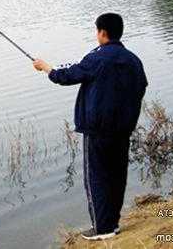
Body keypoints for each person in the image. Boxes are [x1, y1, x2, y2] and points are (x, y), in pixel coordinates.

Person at [33, 13, 147, 241]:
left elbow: (67, 75)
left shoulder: (97, 58)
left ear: (102, 32)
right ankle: (112, 223)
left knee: (95, 178)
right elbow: (141, 86)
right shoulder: (133, 60)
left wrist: (46, 68)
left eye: (97, 31)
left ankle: (102, 228)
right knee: (117, 176)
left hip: (98, 131)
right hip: (123, 130)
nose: (96, 35)